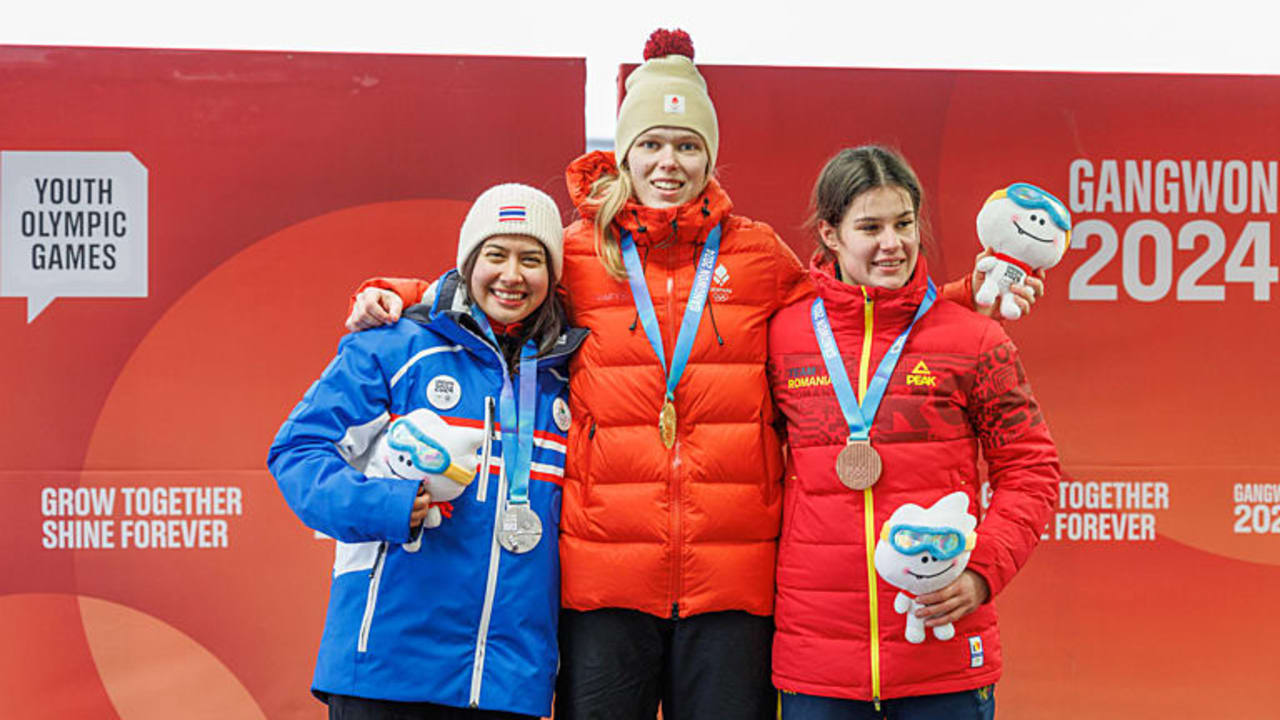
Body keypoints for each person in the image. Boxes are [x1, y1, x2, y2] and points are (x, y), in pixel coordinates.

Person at [343, 32, 1044, 720]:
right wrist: (397, 292)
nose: (668, 162)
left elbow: (854, 310)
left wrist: (956, 298)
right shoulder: (580, 252)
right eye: (651, 144)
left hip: (729, 588)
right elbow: (496, 284)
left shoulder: (758, 253)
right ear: (625, 153)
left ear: (709, 155)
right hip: (606, 581)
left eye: (686, 146)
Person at [268, 183, 587, 720]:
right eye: (496, 255)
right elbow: (298, 451)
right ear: (467, 262)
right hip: (387, 670)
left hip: (509, 681)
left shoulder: (568, 374)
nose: (512, 275)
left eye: (532, 259)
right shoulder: (394, 346)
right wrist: (385, 505)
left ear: (551, 277)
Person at [767, 146, 1061, 719]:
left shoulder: (976, 340)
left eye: (903, 224)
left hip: (944, 658)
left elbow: (1031, 470)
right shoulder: (784, 335)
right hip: (817, 666)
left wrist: (983, 571)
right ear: (829, 234)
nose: (892, 244)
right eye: (869, 227)